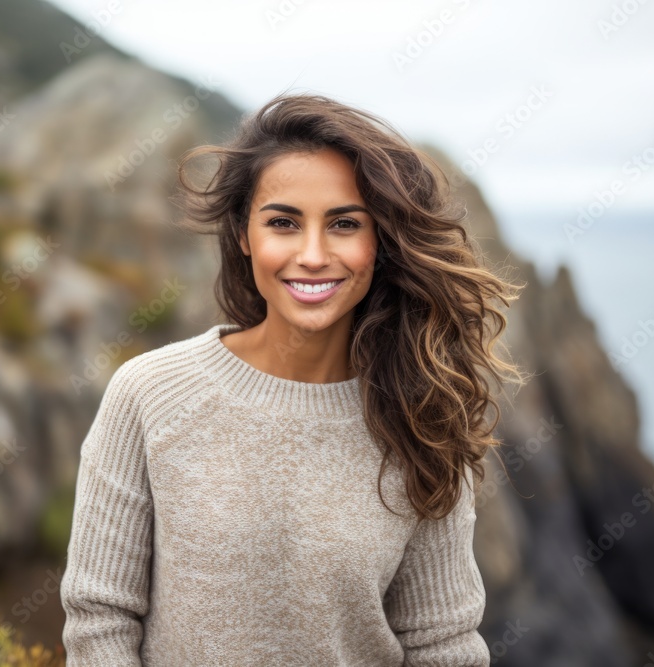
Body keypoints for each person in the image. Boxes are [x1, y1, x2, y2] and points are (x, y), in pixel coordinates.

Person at [59, 92, 528, 666]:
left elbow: (442, 646)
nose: (312, 254)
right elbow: (100, 619)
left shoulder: (422, 417)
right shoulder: (149, 395)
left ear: (378, 244)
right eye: (283, 222)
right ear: (242, 235)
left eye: (344, 224)